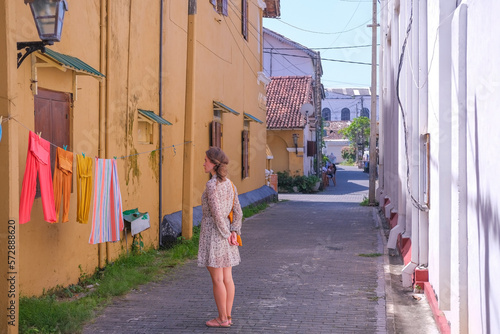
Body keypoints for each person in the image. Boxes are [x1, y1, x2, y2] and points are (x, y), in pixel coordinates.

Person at [198, 147, 243, 328]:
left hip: (214, 234)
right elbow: (238, 211)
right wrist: (234, 232)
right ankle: (228, 317)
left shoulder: (212, 185)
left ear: (215, 164)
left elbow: (216, 214)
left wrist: (226, 234)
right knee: (227, 278)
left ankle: (222, 319)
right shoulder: (230, 184)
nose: (204, 163)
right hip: (227, 234)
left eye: (206, 160)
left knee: (218, 279)